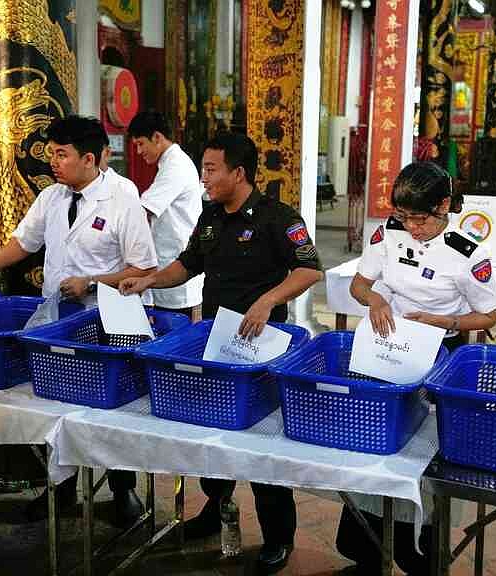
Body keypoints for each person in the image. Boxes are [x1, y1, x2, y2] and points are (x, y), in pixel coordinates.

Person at [120, 131, 324, 573]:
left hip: (262, 350)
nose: (205, 178)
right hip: (216, 342)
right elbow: (188, 264)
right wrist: (150, 280)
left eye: (211, 170)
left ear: (239, 172)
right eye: (203, 169)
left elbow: (310, 270)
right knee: (212, 435)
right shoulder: (210, 215)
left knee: (262, 445)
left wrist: (268, 300)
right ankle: (216, 508)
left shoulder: (278, 218)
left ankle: (277, 537)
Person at [0, 115, 157, 526]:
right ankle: (60, 489)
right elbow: (23, 243)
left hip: (108, 321)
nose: (53, 163)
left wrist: (92, 282)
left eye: (62, 155)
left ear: (90, 159)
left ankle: (122, 488)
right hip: (58, 320)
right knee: (55, 406)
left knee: (109, 410)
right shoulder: (52, 197)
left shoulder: (123, 197)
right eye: (52, 154)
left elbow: (143, 268)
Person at [337, 161, 496, 574]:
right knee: (374, 443)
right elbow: (360, 284)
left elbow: (488, 316)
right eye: (404, 216)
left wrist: (443, 321)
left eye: (421, 219)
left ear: (444, 206)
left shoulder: (467, 254)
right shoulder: (389, 233)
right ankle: (367, 550)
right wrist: (375, 300)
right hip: (388, 347)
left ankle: (419, 554)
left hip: (439, 353)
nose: (411, 227)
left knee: (422, 454)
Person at [128, 111, 204, 319]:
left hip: (176, 269)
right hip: (168, 266)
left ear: (157, 137)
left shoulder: (175, 165)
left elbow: (143, 210)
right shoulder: (169, 163)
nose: (139, 151)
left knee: (175, 331)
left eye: (141, 144)